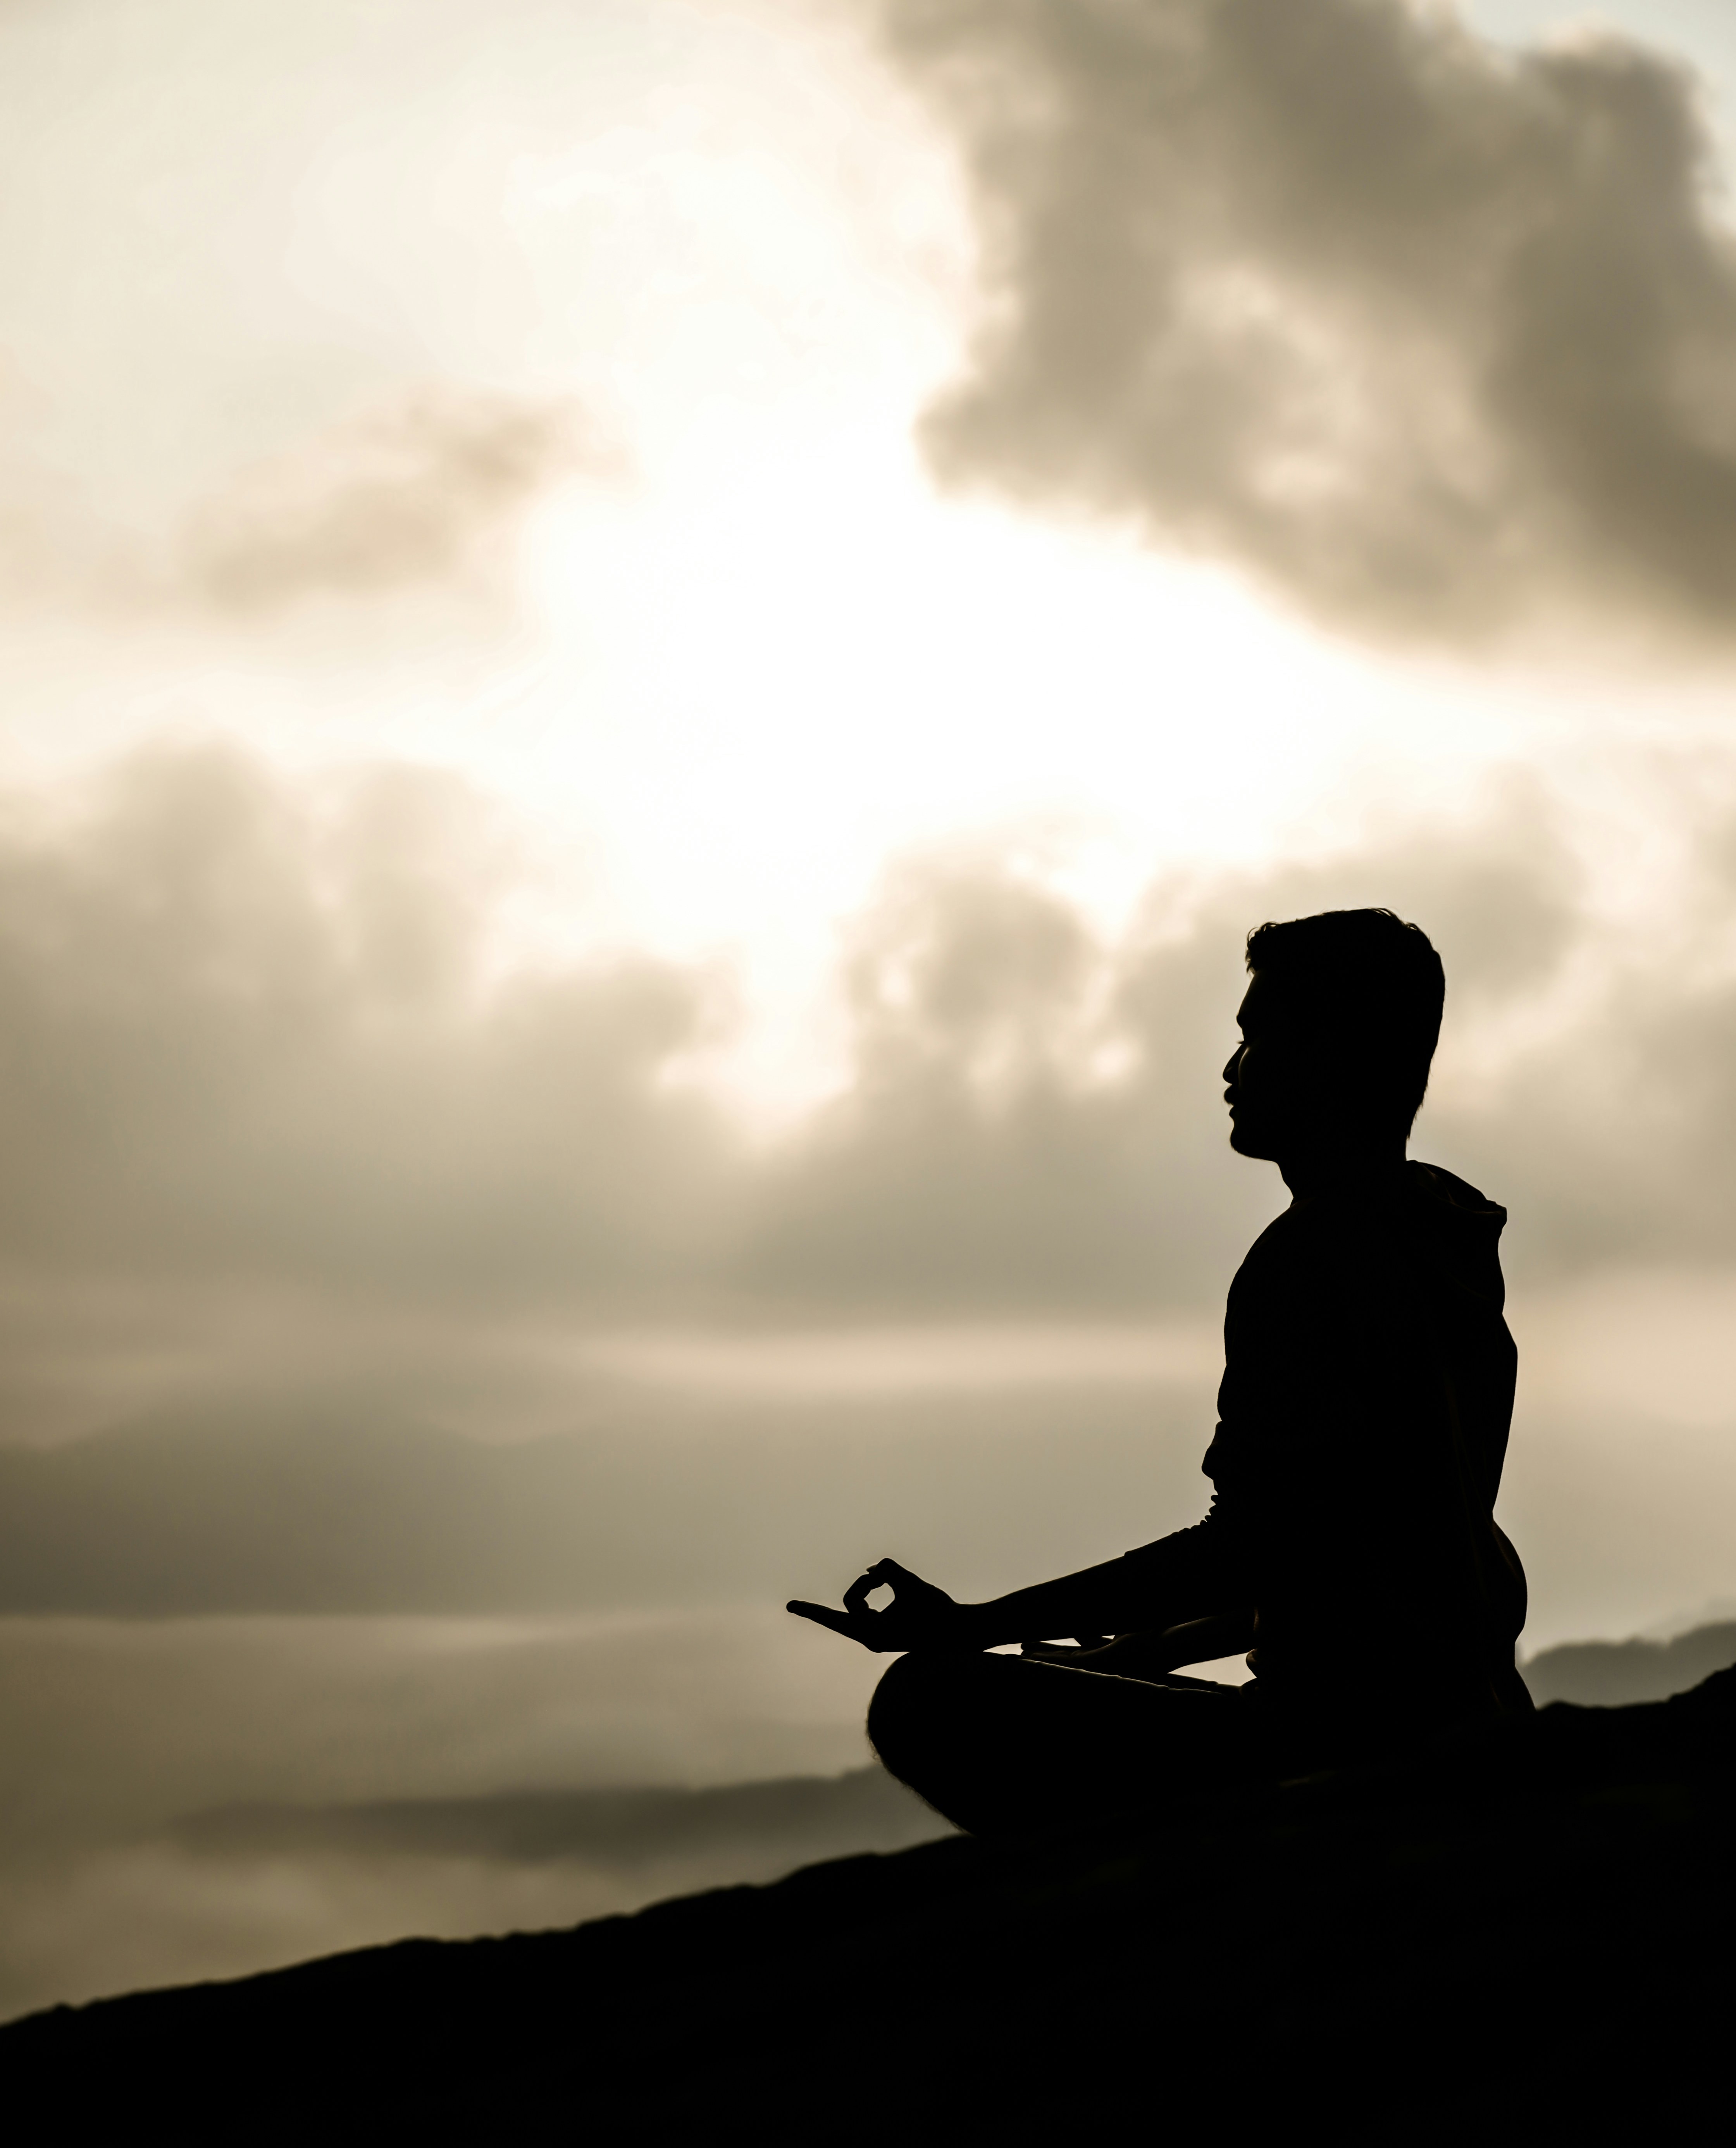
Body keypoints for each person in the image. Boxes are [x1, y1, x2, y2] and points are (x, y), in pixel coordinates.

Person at [788, 908, 1532, 1836]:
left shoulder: (1306, 1261)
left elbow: (1255, 1545)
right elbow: (1363, 1556)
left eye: (1255, 1039)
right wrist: (1149, 1649)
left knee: (924, 1697)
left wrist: (971, 1625)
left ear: (1329, 1056)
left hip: (1342, 1747)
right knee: (1080, 1676)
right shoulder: (1444, 1237)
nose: (1230, 1071)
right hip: (1476, 1715)